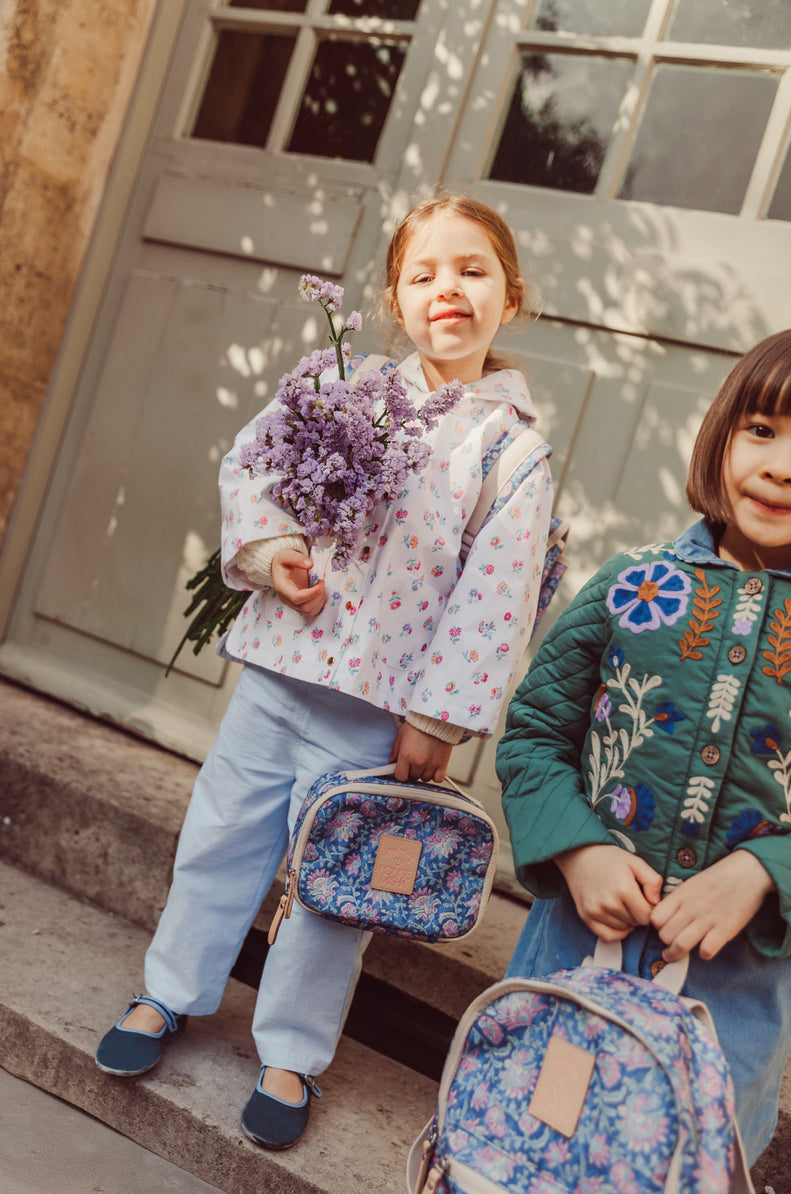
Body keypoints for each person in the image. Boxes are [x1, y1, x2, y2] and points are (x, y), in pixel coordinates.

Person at [95, 195, 556, 1149]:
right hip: (279, 677)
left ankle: (292, 1051)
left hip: (375, 720)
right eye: (423, 274)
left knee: (332, 886)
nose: (448, 291)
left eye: (472, 271)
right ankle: (168, 992)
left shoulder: (511, 451)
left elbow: (497, 595)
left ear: (510, 295)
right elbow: (253, 466)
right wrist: (273, 554)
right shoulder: (350, 385)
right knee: (221, 839)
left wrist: (437, 718)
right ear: (395, 297)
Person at [497, 326, 791, 1166]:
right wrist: (579, 849)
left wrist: (764, 871)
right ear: (724, 431)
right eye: (763, 431)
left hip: (731, 996)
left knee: (677, 1165)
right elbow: (531, 740)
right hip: (575, 955)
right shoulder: (634, 586)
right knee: (537, 1140)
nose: (782, 466)